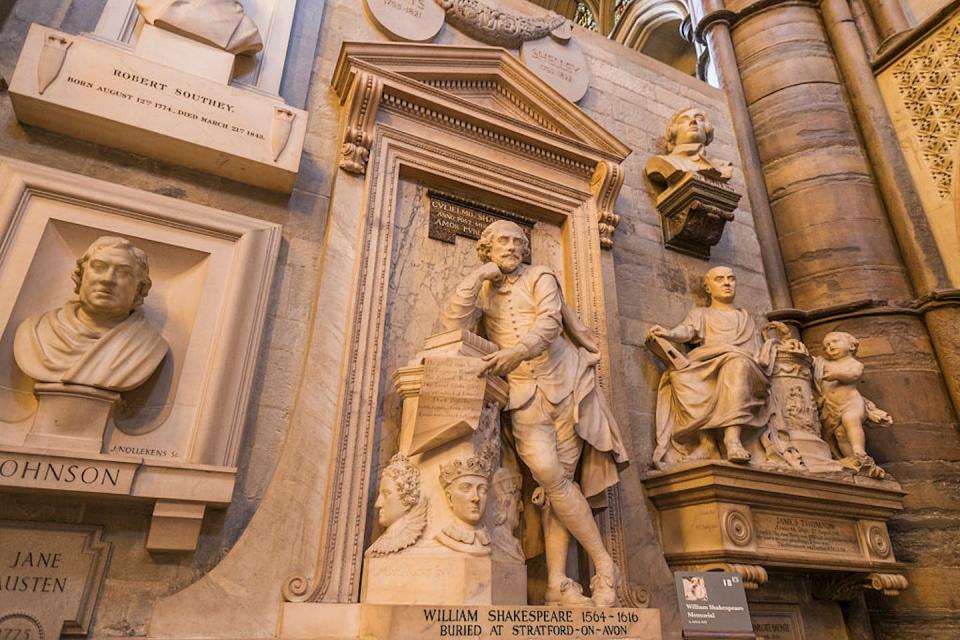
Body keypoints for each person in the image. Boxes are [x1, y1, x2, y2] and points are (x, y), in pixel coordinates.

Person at [441, 220, 627, 607]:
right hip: (523, 395)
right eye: (502, 242)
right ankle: (604, 564)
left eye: (517, 242)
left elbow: (549, 320)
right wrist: (477, 276)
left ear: (526, 250)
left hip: (566, 385)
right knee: (550, 477)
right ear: (488, 249)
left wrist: (517, 351)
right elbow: (452, 324)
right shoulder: (484, 289)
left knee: (559, 482)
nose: (511, 247)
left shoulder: (541, 275)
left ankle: (557, 583)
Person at [647, 266, 776, 466]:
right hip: (708, 361)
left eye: (731, 279)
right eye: (719, 279)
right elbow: (687, 331)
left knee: (737, 364)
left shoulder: (744, 318)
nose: (726, 283)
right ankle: (706, 442)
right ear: (708, 288)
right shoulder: (702, 314)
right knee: (679, 376)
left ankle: (732, 439)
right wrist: (668, 334)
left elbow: (756, 352)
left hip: (742, 363)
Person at [14, 236, 168, 392]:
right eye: (99, 267)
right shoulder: (35, 332)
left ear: (139, 289)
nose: (108, 279)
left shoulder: (146, 346)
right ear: (80, 276)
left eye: (123, 272)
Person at [813, 332, 892, 478]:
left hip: (852, 404)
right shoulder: (823, 363)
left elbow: (853, 376)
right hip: (831, 407)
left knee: (850, 420)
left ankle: (859, 451)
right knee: (840, 434)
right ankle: (852, 460)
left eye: (835, 342)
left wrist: (837, 375)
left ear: (851, 345)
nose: (830, 347)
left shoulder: (854, 364)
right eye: (826, 346)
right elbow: (811, 363)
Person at [644, 107, 734, 186]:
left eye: (699, 119)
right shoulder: (662, 163)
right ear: (673, 131)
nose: (693, 121)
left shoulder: (722, 166)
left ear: (708, 129)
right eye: (684, 120)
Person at [368, 453, 428, 557]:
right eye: (379, 494)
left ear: (406, 497)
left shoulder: (410, 541)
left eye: (386, 494)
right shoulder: (375, 548)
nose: (378, 504)